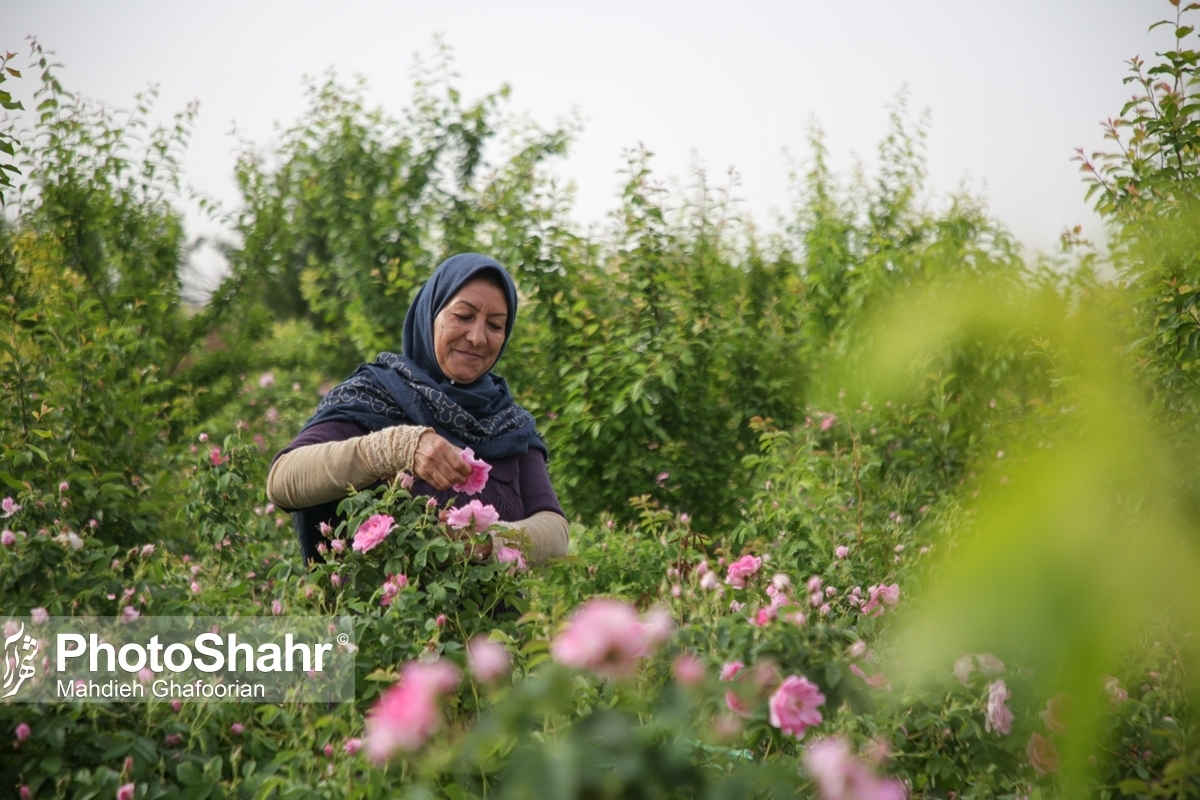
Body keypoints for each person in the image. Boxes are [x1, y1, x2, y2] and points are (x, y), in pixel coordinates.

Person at [267, 253, 568, 565]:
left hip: (494, 614)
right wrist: (397, 447)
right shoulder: (375, 394)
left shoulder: (508, 422)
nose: (478, 337)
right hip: (389, 611)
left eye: (495, 325)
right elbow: (283, 480)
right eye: (463, 316)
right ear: (430, 315)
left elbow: (556, 531)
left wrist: (488, 541)